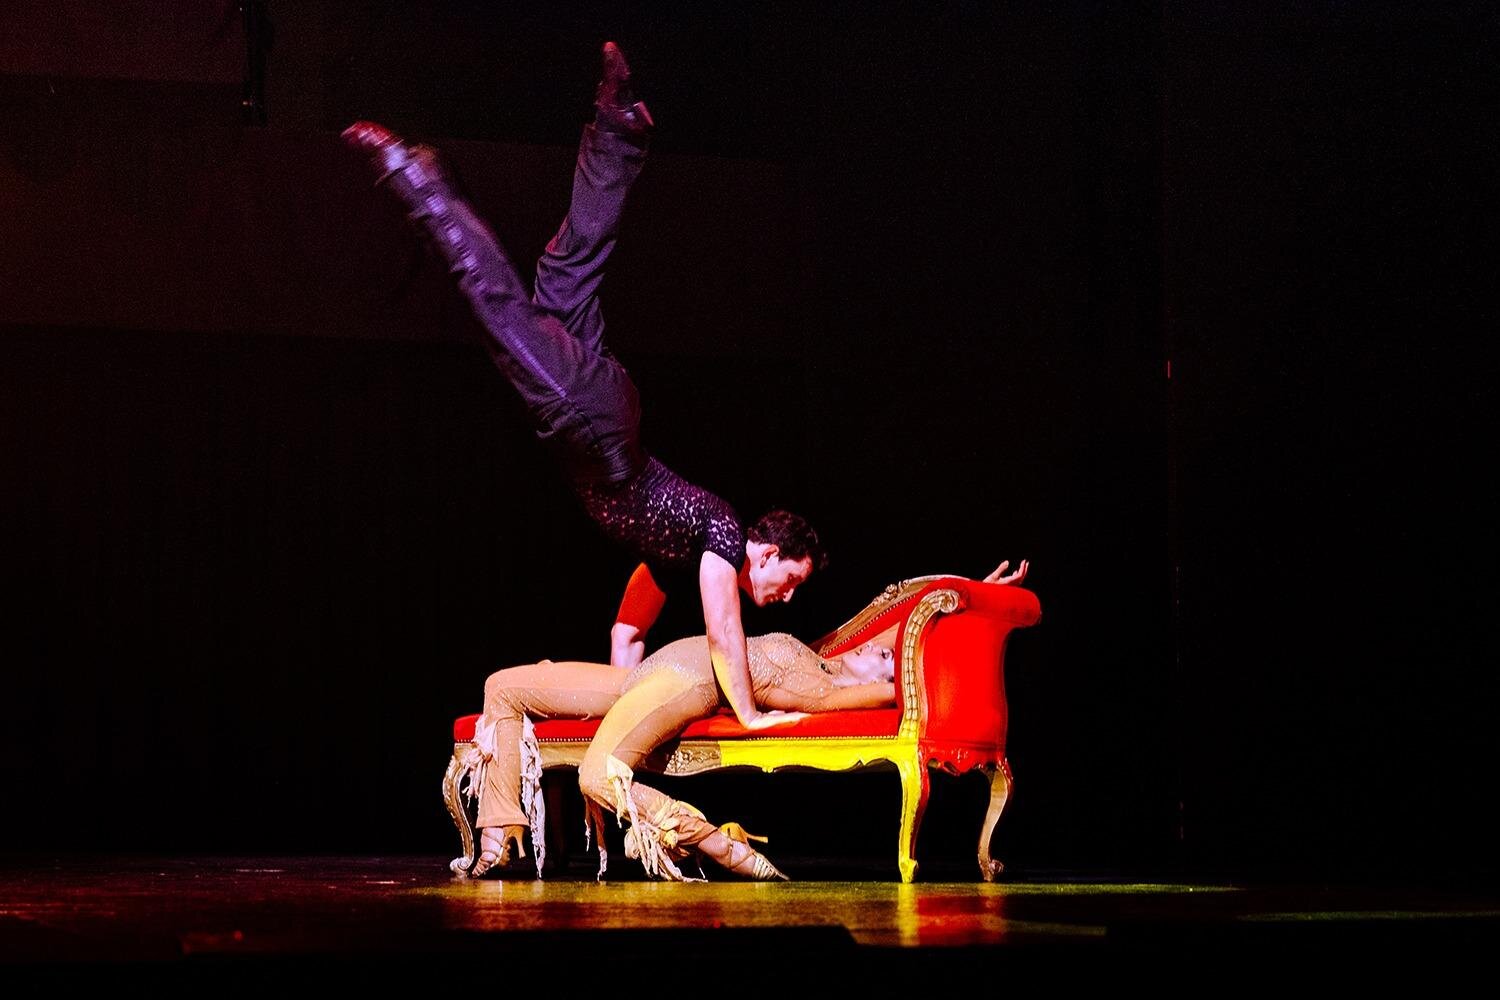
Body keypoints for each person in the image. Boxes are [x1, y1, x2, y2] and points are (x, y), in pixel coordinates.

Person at [344, 43, 823, 735]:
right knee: (499, 310)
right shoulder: (721, 535)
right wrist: (748, 714)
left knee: (568, 269)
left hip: (604, 415)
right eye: (792, 581)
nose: (786, 599)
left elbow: (627, 636)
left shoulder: (673, 561)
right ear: (768, 553)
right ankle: (412, 177)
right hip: (596, 425)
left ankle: (619, 126)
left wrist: (622, 718)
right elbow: (726, 636)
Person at [465, 631, 902, 882]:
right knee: (502, 686)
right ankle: (501, 832)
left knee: (596, 777)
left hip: (682, 683)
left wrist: (886, 681)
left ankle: (716, 843)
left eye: (884, 655)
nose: (871, 647)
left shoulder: (825, 691)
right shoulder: (824, 660)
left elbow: (893, 688)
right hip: (644, 673)